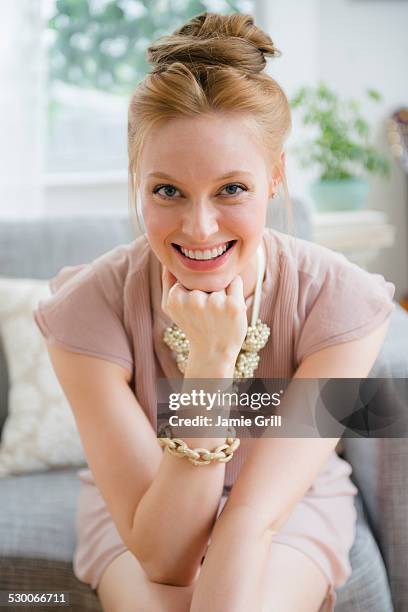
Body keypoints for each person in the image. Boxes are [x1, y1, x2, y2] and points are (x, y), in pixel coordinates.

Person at [33, 11, 395, 612]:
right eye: (167, 190)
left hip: (287, 507)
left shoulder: (342, 303)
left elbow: (252, 518)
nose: (199, 229)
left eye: (231, 188)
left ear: (274, 177)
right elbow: (166, 557)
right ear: (135, 182)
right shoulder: (84, 312)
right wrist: (210, 365)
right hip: (143, 512)